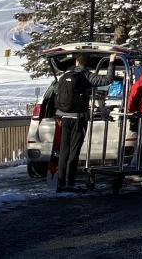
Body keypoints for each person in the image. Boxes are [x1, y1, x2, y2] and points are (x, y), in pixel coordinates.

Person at [55, 53, 118, 191]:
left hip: (64, 118)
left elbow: (57, 92)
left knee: (64, 151)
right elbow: (108, 79)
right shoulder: (87, 76)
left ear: (76, 62)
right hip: (79, 118)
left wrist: (58, 115)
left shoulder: (65, 75)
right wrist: (111, 62)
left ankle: (60, 182)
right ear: (87, 64)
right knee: (74, 151)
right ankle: (70, 182)